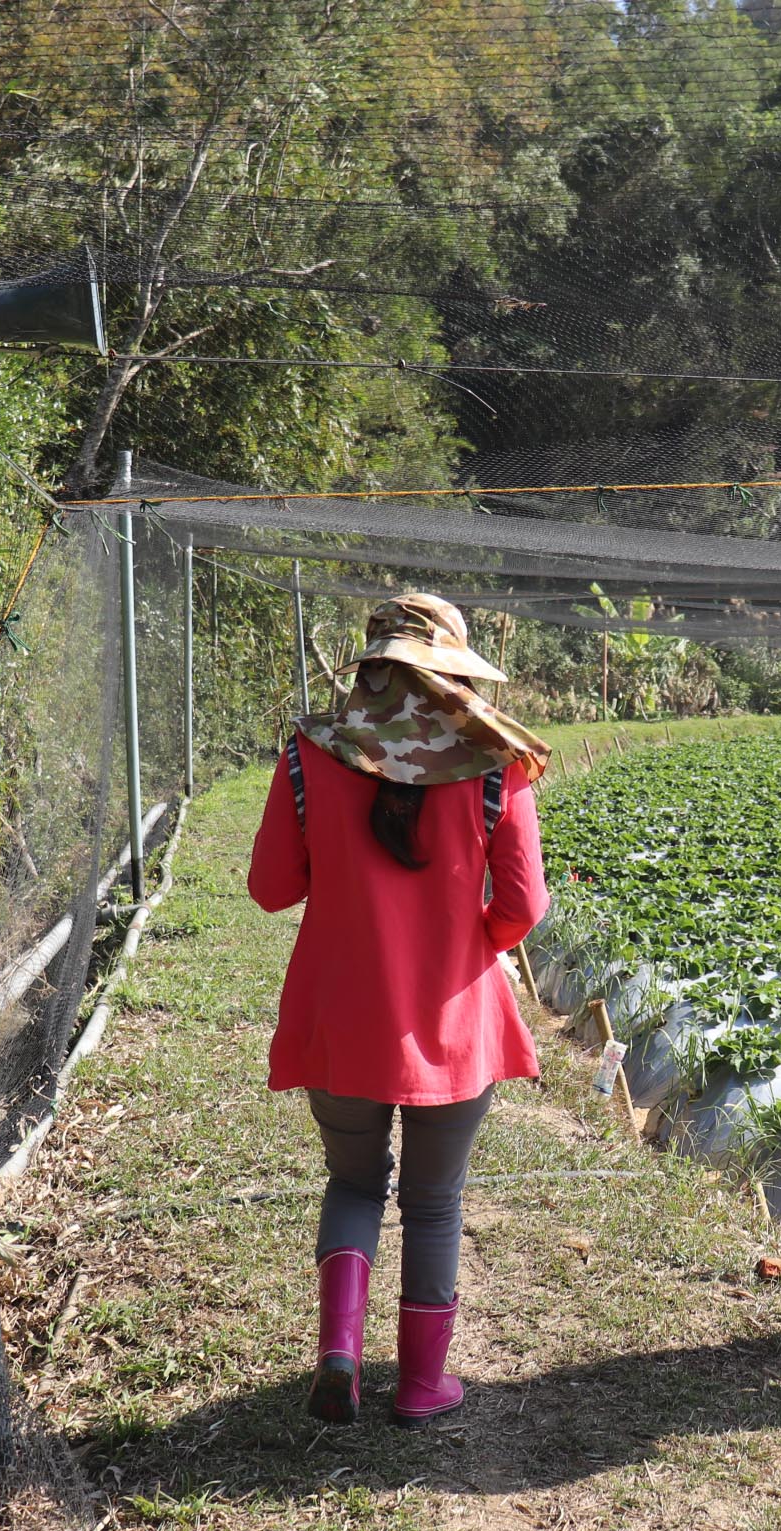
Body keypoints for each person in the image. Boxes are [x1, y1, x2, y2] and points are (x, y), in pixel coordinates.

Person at [247, 593, 551, 1427]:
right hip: (456, 1024)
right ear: (453, 672)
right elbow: (523, 905)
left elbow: (271, 890)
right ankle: (421, 1387)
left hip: (340, 1015)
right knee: (434, 1200)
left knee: (352, 1181)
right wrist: (465, 941)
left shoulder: (309, 755)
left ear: (371, 667)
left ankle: (338, 1355)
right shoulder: (500, 763)